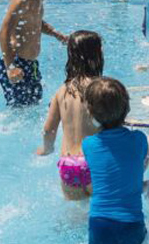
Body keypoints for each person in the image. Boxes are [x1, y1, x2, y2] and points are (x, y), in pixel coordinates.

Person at [82, 77, 149, 244]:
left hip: (100, 225)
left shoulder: (89, 145)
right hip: (131, 224)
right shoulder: (139, 139)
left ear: (90, 112)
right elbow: (137, 169)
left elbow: (111, 178)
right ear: (127, 108)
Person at [35, 30, 104, 200]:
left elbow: (48, 129)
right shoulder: (103, 88)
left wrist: (46, 149)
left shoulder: (62, 91)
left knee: (75, 212)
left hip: (69, 165)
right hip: (95, 161)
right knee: (100, 209)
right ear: (97, 55)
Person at [0, 0, 66, 106]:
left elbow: (35, 23)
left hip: (31, 64)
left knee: (33, 105)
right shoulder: (22, 0)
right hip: (17, 64)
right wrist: (10, 67)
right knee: (20, 110)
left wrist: (56, 34)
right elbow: (4, 32)